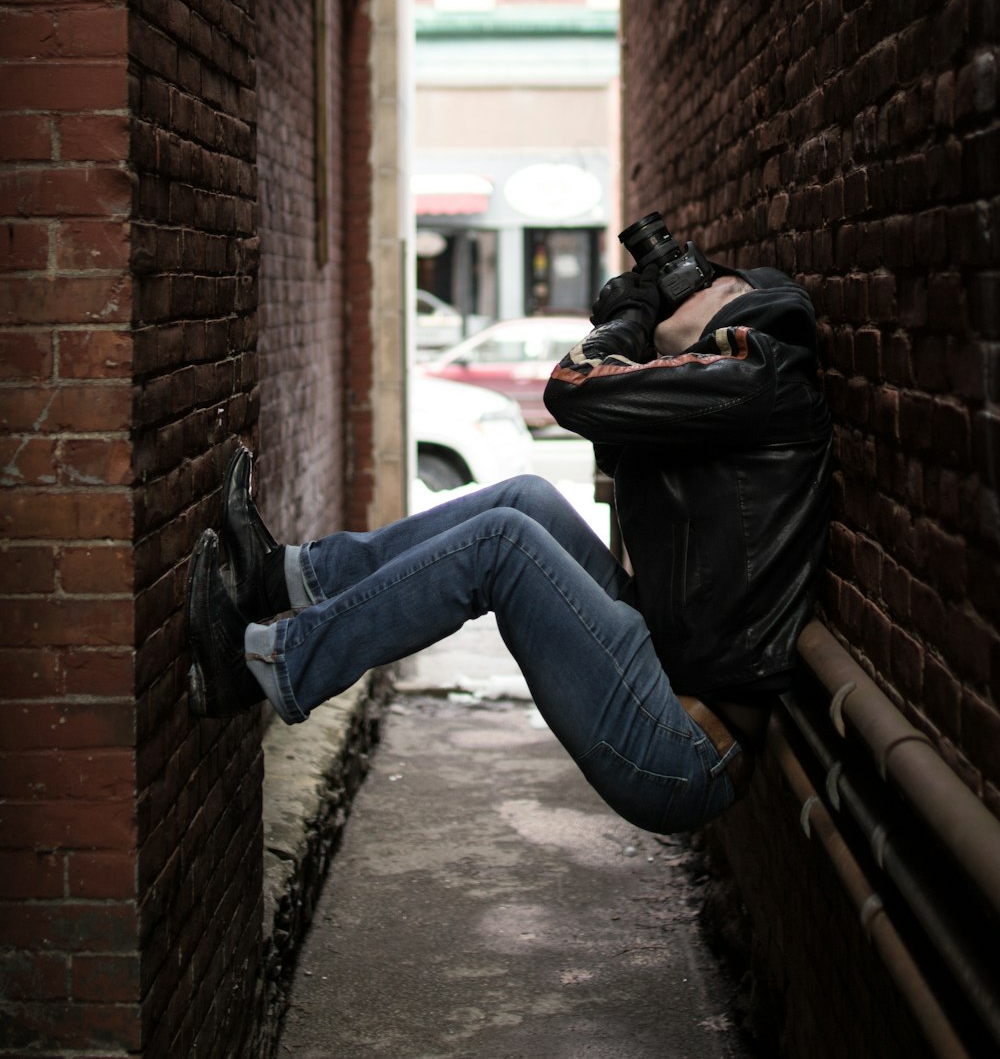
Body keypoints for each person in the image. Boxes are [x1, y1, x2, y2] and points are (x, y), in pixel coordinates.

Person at [186, 256, 831, 835]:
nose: (678, 286)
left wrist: (629, 319)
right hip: (666, 674)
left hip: (683, 747)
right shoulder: (725, 384)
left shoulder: (756, 369)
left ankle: (259, 671)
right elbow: (614, 436)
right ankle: (284, 577)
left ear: (740, 300)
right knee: (526, 498)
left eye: (705, 282)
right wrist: (637, 329)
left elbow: (572, 389)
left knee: (503, 544)